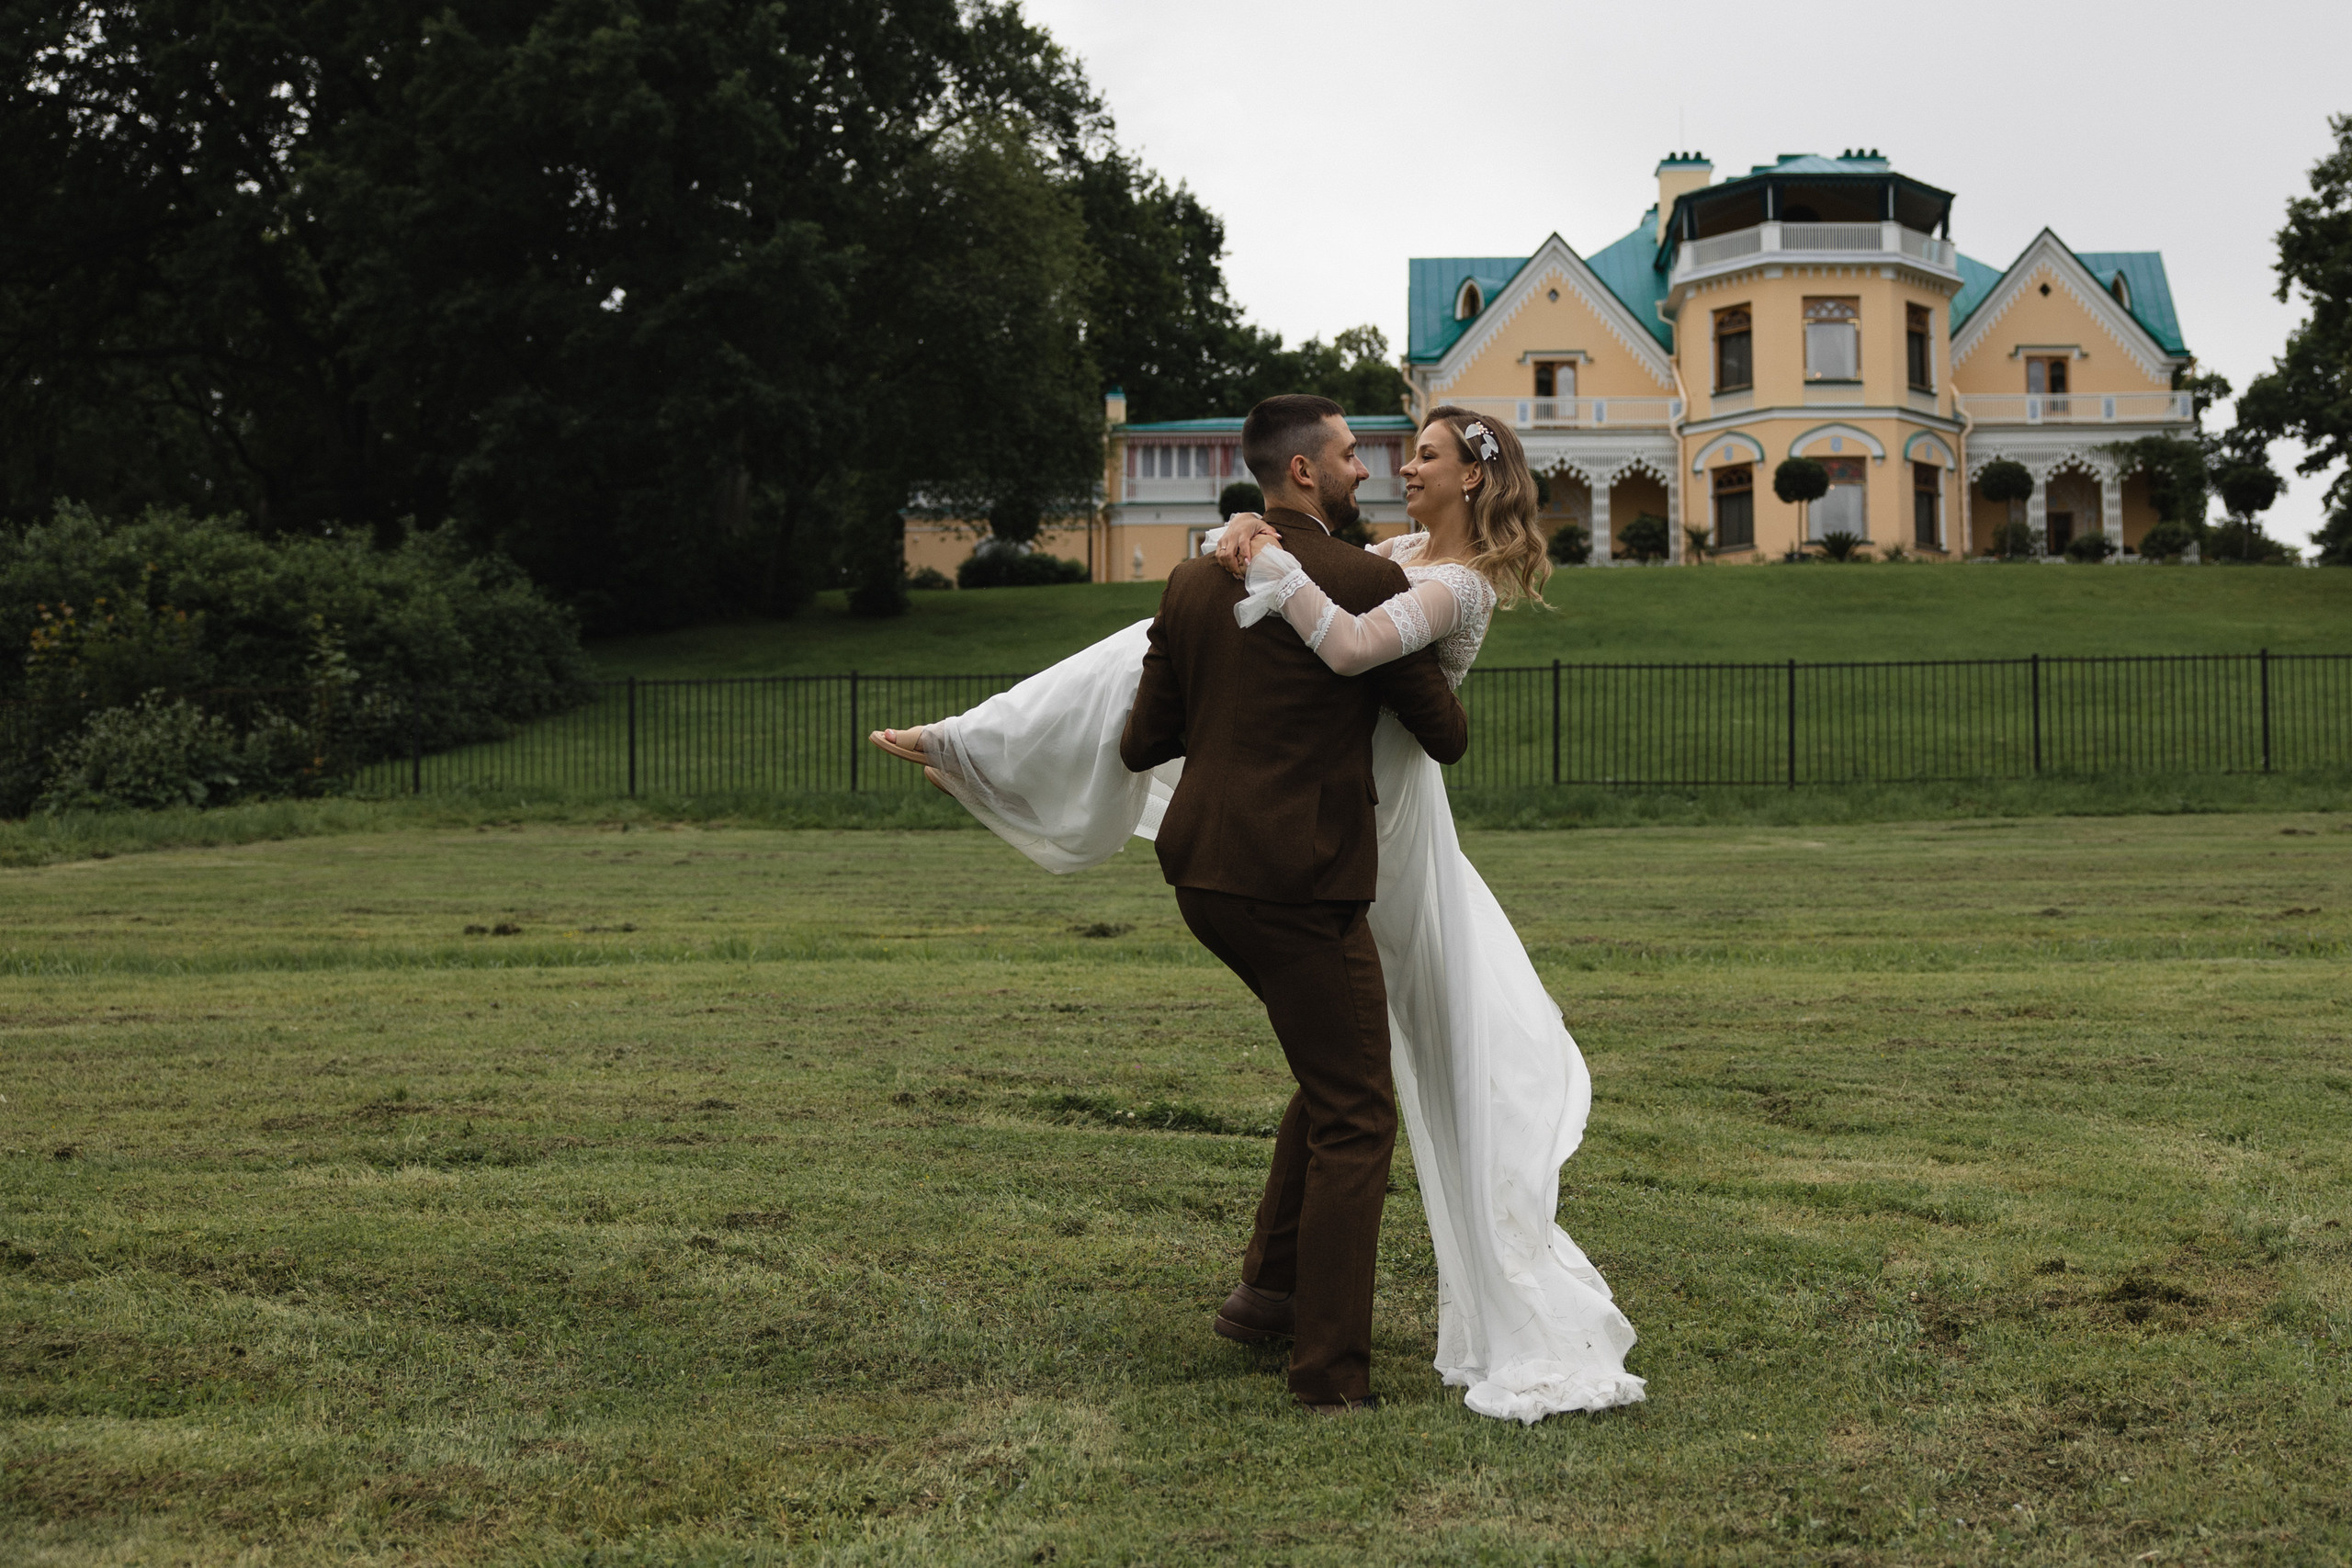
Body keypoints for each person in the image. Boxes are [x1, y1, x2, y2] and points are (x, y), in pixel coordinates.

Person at [871, 397, 1645, 1422]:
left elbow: (1356, 641)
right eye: (1390, 454)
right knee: (1348, 1069)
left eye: (1423, 456)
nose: (1396, 468)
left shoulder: (1456, 581)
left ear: (1473, 477)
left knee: (1352, 1062)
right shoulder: (1392, 549)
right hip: (1310, 821)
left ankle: (1273, 1300)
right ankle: (986, 742)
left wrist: (1268, 569)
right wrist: (1246, 534)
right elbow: (1326, 560)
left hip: (1384, 818)